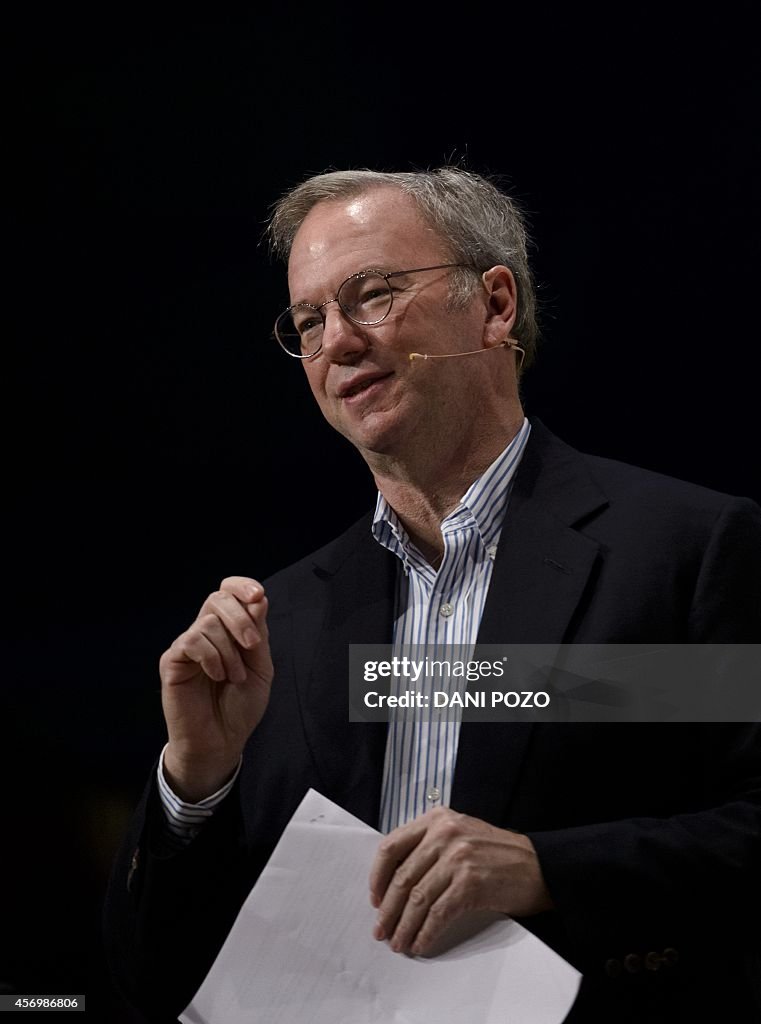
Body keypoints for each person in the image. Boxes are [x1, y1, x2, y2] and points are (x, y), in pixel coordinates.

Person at [104, 167, 761, 1023]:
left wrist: (546, 869)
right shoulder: (283, 626)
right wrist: (196, 783)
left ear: (493, 305)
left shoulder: (677, 551)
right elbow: (147, 975)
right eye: (308, 321)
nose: (335, 341)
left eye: (370, 294)